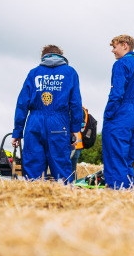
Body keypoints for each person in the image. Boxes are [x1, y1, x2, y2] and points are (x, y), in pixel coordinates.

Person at [12, 46, 83, 183]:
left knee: (33, 168)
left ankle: (34, 199)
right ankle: (65, 199)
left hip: (34, 122)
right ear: (61, 55)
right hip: (59, 123)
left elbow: (22, 103)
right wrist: (75, 129)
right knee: (61, 166)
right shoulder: (70, 72)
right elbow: (75, 103)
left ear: (43, 57)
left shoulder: (34, 73)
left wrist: (17, 132)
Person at [102, 35, 134, 190]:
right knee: (127, 160)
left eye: (114, 47)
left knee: (114, 158)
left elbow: (116, 94)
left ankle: (117, 198)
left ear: (125, 45)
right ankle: (129, 197)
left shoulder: (121, 64)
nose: (113, 51)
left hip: (120, 114)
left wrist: (108, 115)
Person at [70, 106, 90, 176]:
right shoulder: (82, 109)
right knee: (72, 169)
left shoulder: (78, 109)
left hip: (75, 144)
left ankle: (70, 185)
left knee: (71, 169)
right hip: (77, 144)